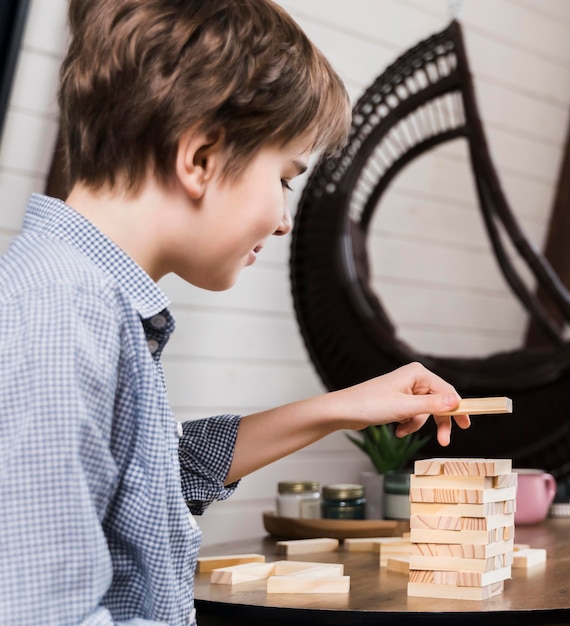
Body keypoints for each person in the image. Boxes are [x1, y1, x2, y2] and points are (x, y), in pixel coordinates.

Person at [0, 0, 470, 624]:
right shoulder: (60, 317)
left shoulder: (87, 299)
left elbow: (157, 478)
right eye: (283, 179)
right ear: (199, 158)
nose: (281, 222)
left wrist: (344, 407)